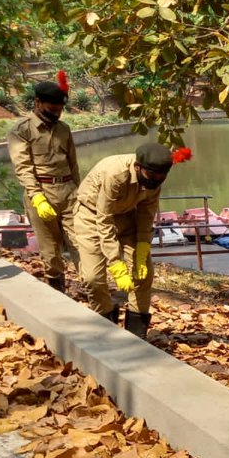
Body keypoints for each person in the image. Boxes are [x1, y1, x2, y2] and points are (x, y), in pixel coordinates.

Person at [74, 142, 188, 338]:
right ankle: (106, 320)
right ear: (138, 167)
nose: (156, 182)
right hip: (91, 216)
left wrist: (143, 248)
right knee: (93, 278)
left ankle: (136, 333)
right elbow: (104, 219)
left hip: (126, 215)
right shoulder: (115, 175)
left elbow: (146, 214)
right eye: (152, 177)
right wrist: (116, 265)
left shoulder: (155, 178)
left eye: (161, 178)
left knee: (143, 274)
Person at [7, 71, 80, 292]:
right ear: (38, 103)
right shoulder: (21, 131)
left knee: (82, 243)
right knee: (51, 251)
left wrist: (79, 192)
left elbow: (73, 164)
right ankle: (58, 293)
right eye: (52, 109)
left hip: (69, 192)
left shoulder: (64, 129)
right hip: (41, 193)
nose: (56, 114)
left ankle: (93, 291)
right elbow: (23, 167)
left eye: (60, 110)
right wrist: (37, 196)